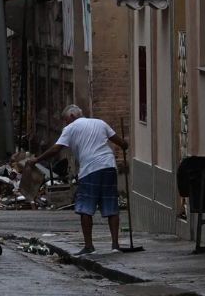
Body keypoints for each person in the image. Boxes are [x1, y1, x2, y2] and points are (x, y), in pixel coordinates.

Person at [28, 105, 129, 255]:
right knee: (111, 206)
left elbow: (56, 149)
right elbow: (120, 142)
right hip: (108, 167)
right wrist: (124, 145)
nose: (66, 124)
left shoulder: (71, 128)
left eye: (66, 120)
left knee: (86, 209)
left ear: (72, 117)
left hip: (90, 169)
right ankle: (115, 245)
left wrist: (37, 160)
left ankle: (89, 246)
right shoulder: (100, 123)